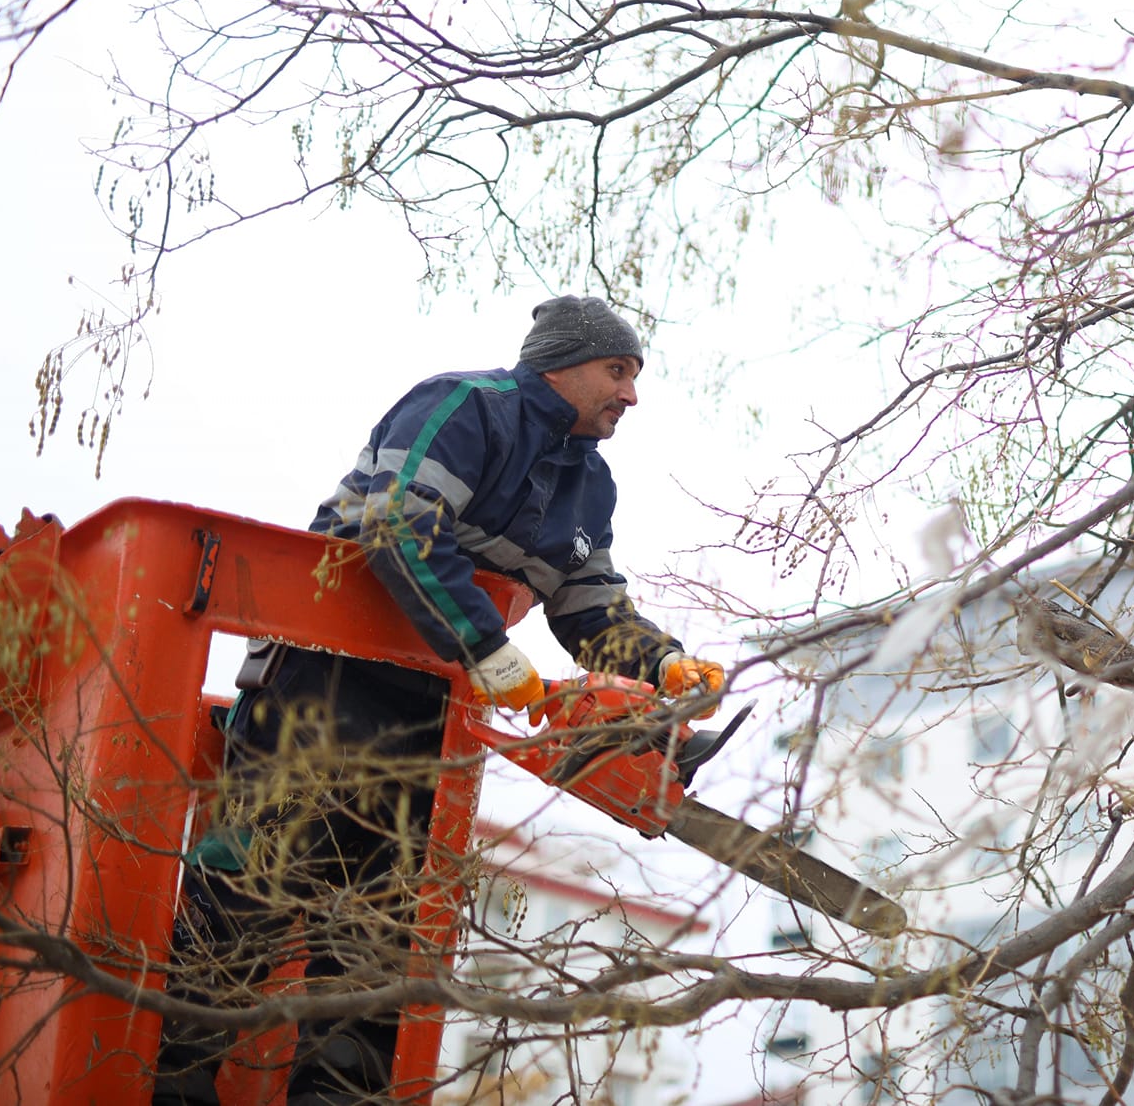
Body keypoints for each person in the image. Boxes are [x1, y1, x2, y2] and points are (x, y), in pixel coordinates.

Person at [152, 296, 726, 1105]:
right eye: (618, 371)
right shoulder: (467, 407)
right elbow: (396, 523)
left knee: (384, 914)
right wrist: (486, 647)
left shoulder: (589, 484)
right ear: (561, 363)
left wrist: (662, 665)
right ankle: (176, 1080)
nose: (631, 395)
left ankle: (336, 1093)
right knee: (264, 868)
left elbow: (589, 604)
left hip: (433, 705)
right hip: (326, 672)